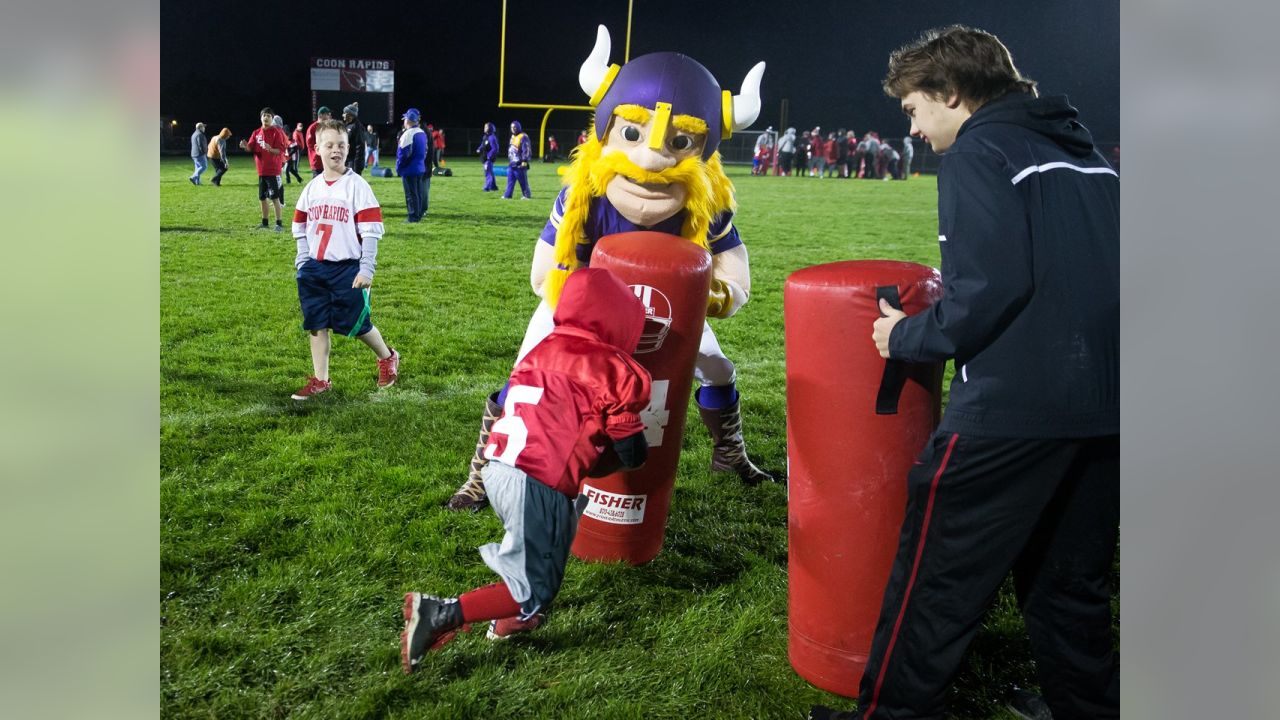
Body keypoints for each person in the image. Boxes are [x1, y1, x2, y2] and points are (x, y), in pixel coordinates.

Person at [809, 25, 1119, 720]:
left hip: (1012, 408)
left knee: (936, 578)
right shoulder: (1092, 157)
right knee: (1072, 580)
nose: (913, 128)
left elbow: (987, 290)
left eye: (915, 109)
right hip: (1109, 405)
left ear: (952, 92)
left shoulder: (982, 152)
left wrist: (908, 334)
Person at [447, 26, 774, 511]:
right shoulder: (587, 190)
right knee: (525, 373)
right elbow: (547, 270)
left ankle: (729, 452)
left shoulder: (705, 198)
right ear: (607, 127)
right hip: (583, 304)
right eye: (633, 133)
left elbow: (731, 264)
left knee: (719, 368)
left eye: (680, 140)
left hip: (668, 309)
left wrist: (718, 293)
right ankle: (481, 473)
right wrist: (574, 304)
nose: (651, 157)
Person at [401, 267, 651, 671]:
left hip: (497, 468)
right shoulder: (614, 369)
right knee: (535, 582)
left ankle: (515, 619)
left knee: (546, 544)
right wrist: (614, 446)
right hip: (537, 481)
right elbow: (632, 453)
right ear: (619, 319)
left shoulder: (541, 348)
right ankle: (440, 613)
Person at [289, 119, 401, 401]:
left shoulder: (357, 186)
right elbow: (299, 227)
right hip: (315, 267)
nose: (335, 150)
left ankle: (387, 356)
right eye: (329, 145)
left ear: (349, 148)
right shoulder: (312, 188)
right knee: (316, 323)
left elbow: (371, 231)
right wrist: (303, 260)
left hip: (348, 268)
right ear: (317, 149)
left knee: (356, 323)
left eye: (341, 145)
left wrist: (366, 268)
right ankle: (321, 380)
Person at [238, 107, 290, 231]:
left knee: (275, 198)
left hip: (273, 170)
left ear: (272, 119)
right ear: (261, 118)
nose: (266, 117)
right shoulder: (256, 133)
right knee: (262, 197)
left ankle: (279, 223)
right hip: (261, 171)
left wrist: (270, 148)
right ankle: (265, 223)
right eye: (264, 115)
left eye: (268, 116)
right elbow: (251, 148)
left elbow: (280, 150)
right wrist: (244, 146)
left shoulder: (276, 132)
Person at [396, 107, 429, 222]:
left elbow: (403, 154)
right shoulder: (422, 132)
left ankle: (413, 217)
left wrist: (399, 167)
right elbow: (425, 150)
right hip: (420, 167)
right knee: (418, 194)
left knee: (410, 195)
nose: (404, 121)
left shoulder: (408, 134)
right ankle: (418, 214)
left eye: (405, 119)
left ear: (408, 120)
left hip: (410, 169)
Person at [501, 120, 531, 200]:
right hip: (512, 163)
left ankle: (526, 195)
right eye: (511, 127)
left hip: (519, 163)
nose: (513, 129)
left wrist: (524, 160)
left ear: (518, 127)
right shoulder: (512, 137)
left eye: (514, 127)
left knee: (523, 181)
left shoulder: (523, 136)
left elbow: (526, 149)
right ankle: (508, 195)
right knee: (510, 181)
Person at [305, 106, 333, 177]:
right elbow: (310, 144)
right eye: (328, 114)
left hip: (326, 161)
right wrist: (321, 152)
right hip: (317, 161)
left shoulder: (327, 127)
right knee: (317, 184)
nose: (330, 116)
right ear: (321, 115)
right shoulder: (313, 127)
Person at [342, 103, 366, 175]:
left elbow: (360, 147)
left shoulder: (357, 126)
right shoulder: (347, 125)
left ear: (350, 115)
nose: (343, 115)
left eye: (345, 113)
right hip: (347, 160)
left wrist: (356, 166)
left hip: (353, 162)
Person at [476, 122, 499, 191]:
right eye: (484, 127)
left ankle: (487, 187)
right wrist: (479, 149)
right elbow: (483, 145)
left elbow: (495, 148)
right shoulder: (485, 136)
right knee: (490, 172)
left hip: (489, 159)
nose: (484, 128)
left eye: (486, 127)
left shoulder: (492, 137)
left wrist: (489, 156)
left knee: (487, 173)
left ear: (490, 128)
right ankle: (493, 187)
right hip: (485, 157)